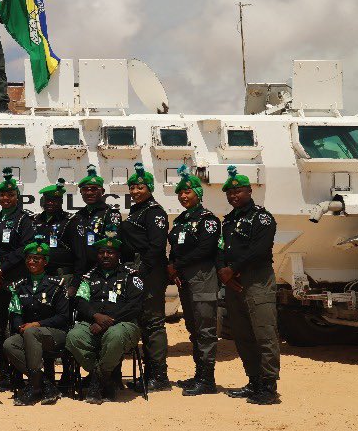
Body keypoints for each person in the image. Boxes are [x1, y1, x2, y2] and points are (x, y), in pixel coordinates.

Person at [218, 165, 280, 405]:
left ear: (249, 191)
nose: (233, 196)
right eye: (229, 193)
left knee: (264, 333)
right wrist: (224, 273)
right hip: (234, 283)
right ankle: (254, 381)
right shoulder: (229, 221)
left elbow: (260, 250)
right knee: (242, 334)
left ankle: (269, 385)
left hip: (257, 280)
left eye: (238, 191)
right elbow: (221, 249)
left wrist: (232, 269)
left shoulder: (261, 218)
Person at [65, 236, 144, 404]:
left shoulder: (130, 276)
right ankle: (106, 378)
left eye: (110, 252)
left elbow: (135, 306)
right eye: (101, 252)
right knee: (74, 336)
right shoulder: (88, 277)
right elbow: (80, 301)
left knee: (114, 335)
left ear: (118, 255)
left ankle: (97, 378)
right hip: (93, 323)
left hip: (123, 324)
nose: (105, 256)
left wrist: (108, 322)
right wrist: (96, 316)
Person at [0, 168, 35, 391]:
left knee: (17, 327)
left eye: (10, 195)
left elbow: (25, 249)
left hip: (17, 280)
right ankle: (3, 372)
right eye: (2, 195)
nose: (5, 198)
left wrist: (2, 269)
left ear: (17, 197)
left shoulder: (24, 220)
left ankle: (19, 374)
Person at [167, 165, 220, 396]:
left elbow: (205, 249)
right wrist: (173, 266)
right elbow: (174, 248)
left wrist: (177, 265)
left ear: (198, 193)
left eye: (187, 192)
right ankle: (199, 374)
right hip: (186, 281)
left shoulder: (208, 220)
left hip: (202, 279)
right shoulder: (180, 220)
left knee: (205, 330)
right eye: (180, 193)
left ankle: (207, 380)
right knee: (193, 329)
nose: (183, 196)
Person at [120, 162, 171, 391]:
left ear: (149, 188)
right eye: (132, 188)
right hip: (139, 271)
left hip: (150, 273)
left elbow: (157, 246)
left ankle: (159, 377)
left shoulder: (155, 212)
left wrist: (142, 271)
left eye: (140, 187)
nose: (135, 191)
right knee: (143, 323)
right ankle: (149, 374)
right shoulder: (137, 211)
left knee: (153, 324)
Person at [2, 241, 72, 406]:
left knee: (32, 332)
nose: (31, 261)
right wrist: (20, 326)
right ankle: (45, 384)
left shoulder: (57, 285)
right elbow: (16, 313)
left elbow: (63, 316)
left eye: (36, 258)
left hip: (55, 334)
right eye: (29, 258)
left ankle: (34, 388)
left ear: (45, 262)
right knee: (9, 344)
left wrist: (37, 324)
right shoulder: (19, 286)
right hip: (28, 333)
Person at [68, 165, 122, 291]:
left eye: (94, 189)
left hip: (101, 272)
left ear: (102, 191)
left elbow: (112, 245)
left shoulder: (110, 214)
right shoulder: (78, 216)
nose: (89, 193)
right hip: (80, 272)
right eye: (85, 189)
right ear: (81, 192)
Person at [30, 179, 75, 278]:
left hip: (60, 274)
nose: (50, 203)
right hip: (38, 274)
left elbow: (76, 252)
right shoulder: (34, 220)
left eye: (55, 200)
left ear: (61, 202)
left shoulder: (70, 221)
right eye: (48, 200)